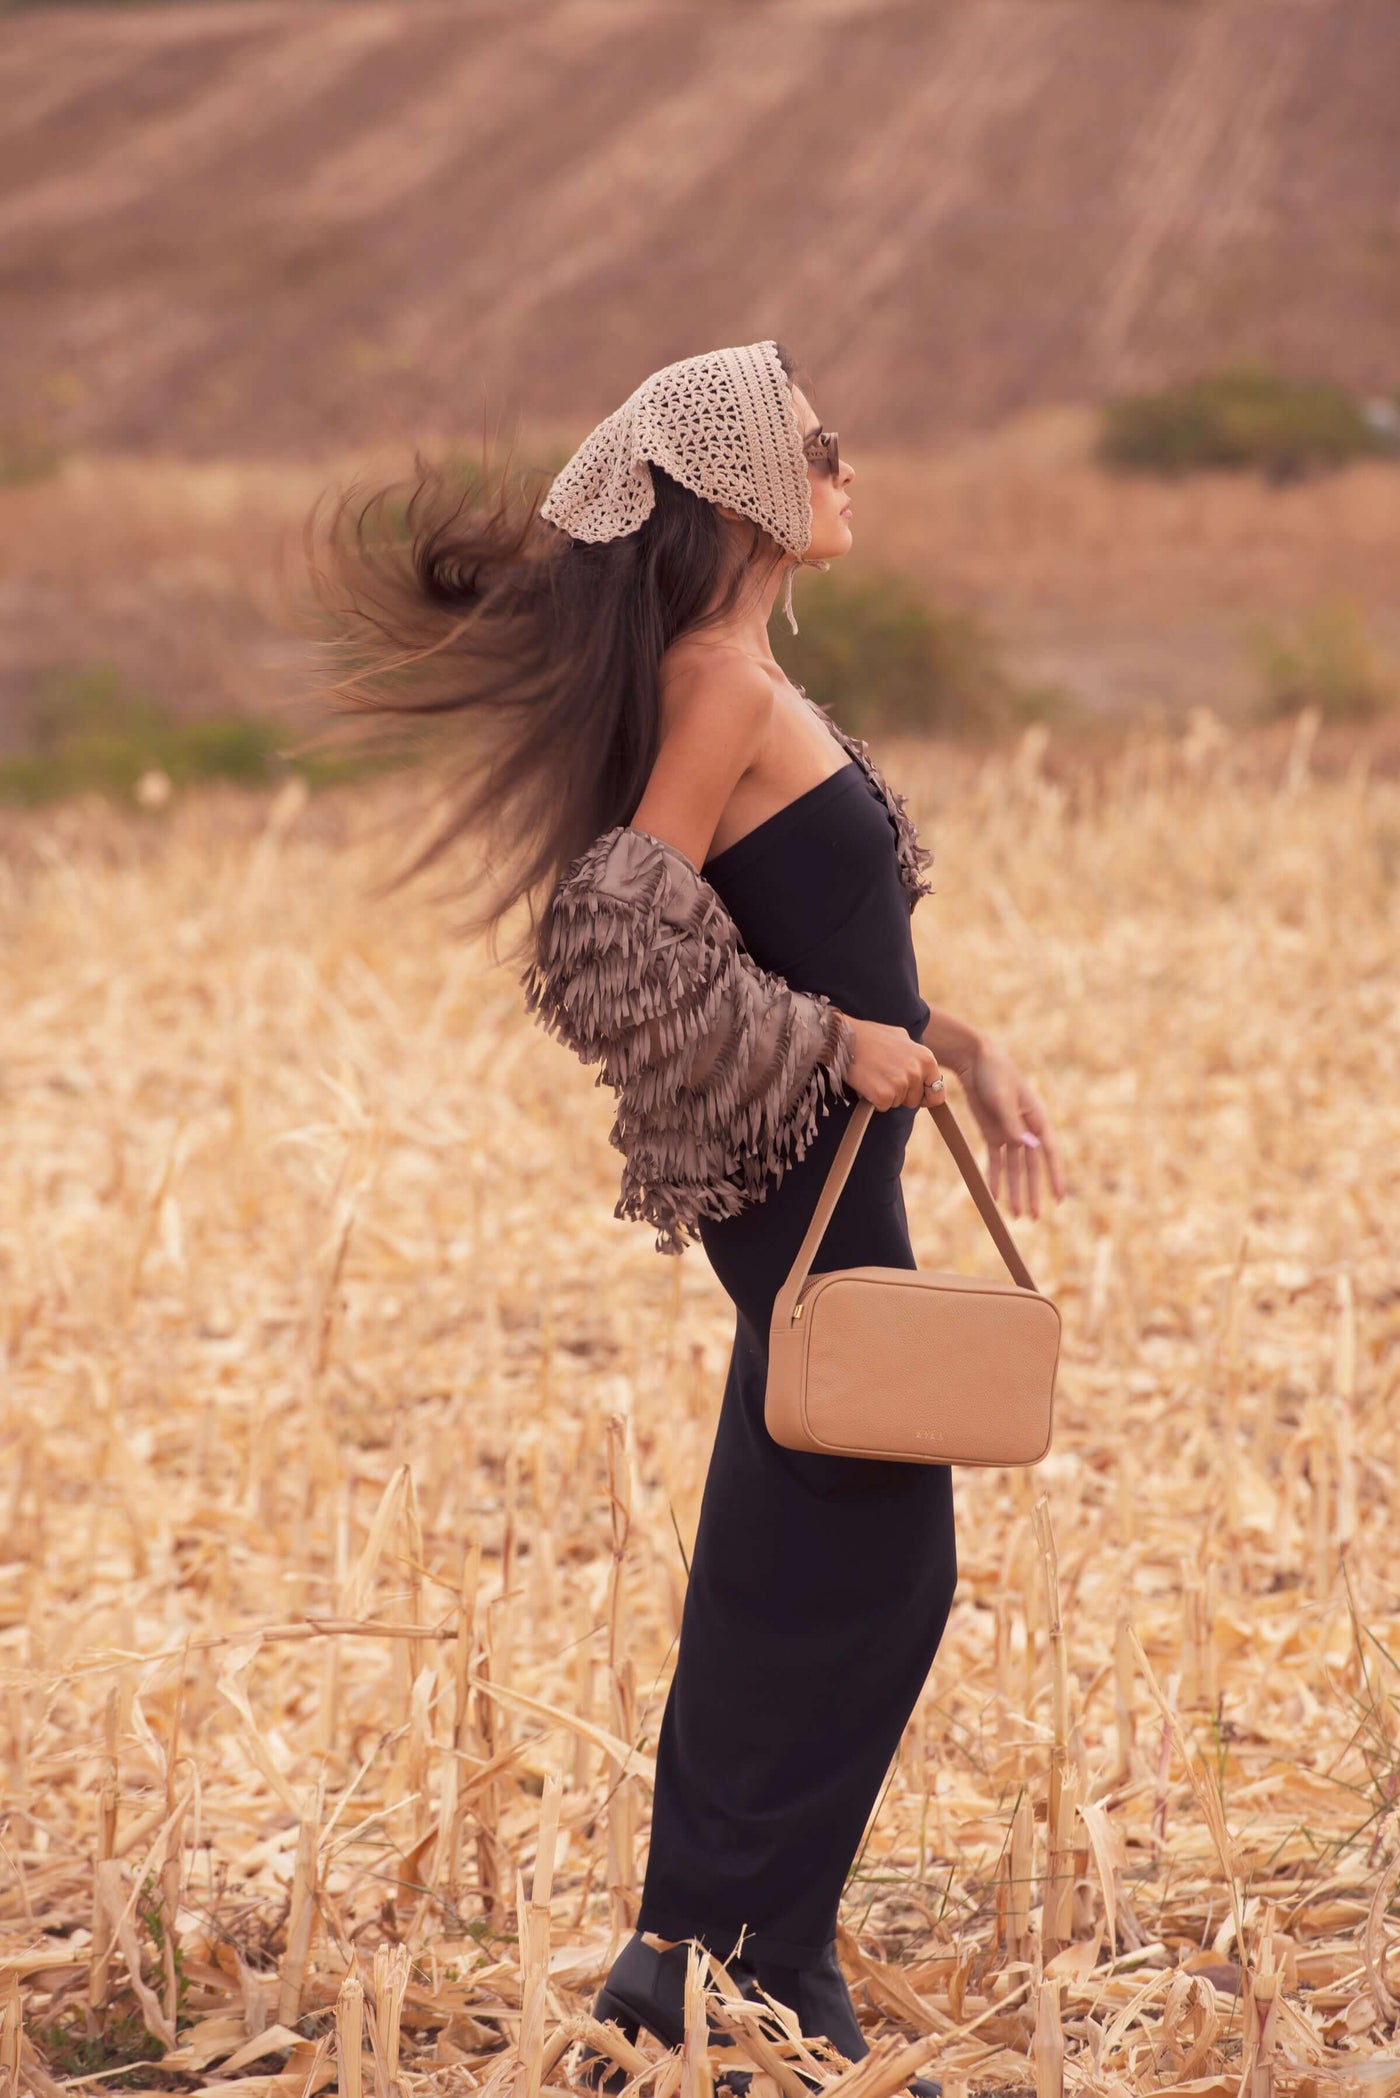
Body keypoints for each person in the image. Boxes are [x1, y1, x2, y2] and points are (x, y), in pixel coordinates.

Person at [305, 339, 1065, 2094]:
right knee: (879, 1574)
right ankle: (750, 1969)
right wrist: (836, 1044)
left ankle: (701, 1969)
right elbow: (607, 940)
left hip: (834, 1154)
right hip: (795, 1168)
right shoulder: (714, 681)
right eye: (822, 445)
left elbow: (815, 933)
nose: (848, 466)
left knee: (793, 1558)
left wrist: (956, 1038)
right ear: (742, 486)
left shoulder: (752, 676)